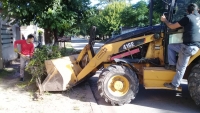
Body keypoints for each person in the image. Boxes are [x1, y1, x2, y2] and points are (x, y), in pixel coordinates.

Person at [160, 3, 200, 90]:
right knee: (170, 46)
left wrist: (165, 20)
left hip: (188, 47)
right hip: (196, 46)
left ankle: (175, 85)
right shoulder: (198, 18)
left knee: (181, 67)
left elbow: (172, 26)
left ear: (188, 11)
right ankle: (172, 65)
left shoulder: (188, 18)